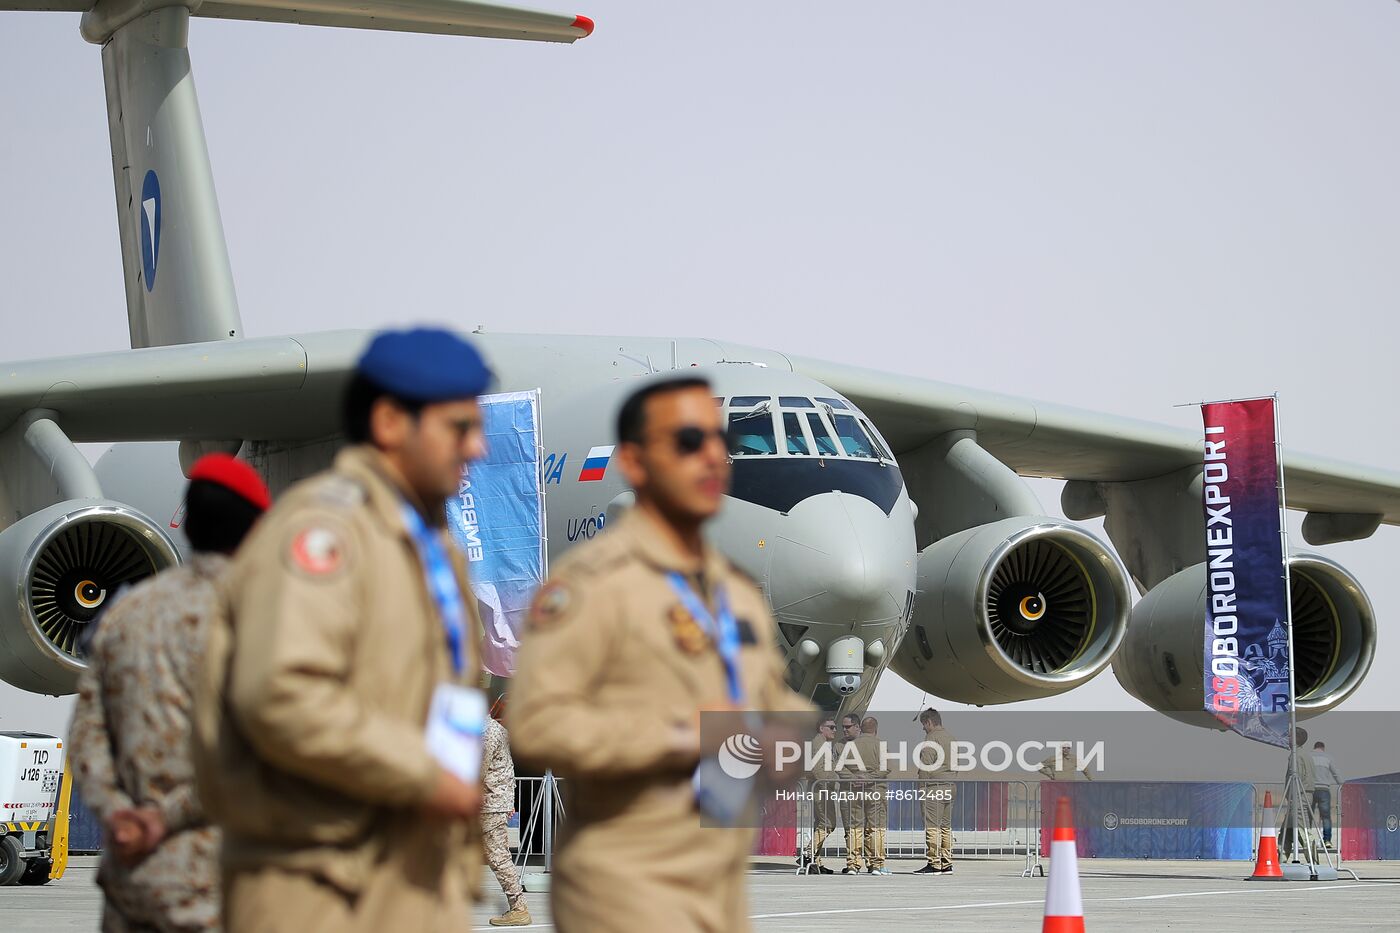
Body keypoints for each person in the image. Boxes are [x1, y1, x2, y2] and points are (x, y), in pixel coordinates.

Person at [192, 328, 492, 933]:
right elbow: (282, 694)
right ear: (388, 423)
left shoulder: (431, 550)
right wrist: (424, 775)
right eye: (459, 428)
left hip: (409, 878)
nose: (479, 448)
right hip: (321, 891)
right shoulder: (325, 533)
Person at [507, 375, 810, 932]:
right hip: (623, 888)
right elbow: (536, 722)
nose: (714, 457)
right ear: (636, 462)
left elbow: (767, 709)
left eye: (722, 441)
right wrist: (668, 739)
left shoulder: (735, 596)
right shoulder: (590, 586)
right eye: (689, 442)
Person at [70, 453, 270, 932]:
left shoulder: (122, 614)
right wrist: (165, 817)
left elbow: (86, 739)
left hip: (134, 879)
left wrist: (121, 817)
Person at [483, 703, 530, 926]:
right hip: (494, 801)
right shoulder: (496, 730)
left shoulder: (486, 733)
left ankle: (519, 908)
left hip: (488, 803)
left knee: (498, 857)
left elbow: (476, 771)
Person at [914, 708, 956, 875]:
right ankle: (946, 862)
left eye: (924, 724)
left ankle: (934, 863)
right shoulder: (951, 738)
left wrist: (921, 787)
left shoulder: (931, 740)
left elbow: (926, 767)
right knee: (945, 827)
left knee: (932, 826)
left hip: (934, 788)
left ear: (929, 722)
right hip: (950, 786)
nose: (923, 728)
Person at [802, 718, 839, 873]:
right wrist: (826, 785)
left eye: (835, 727)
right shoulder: (819, 744)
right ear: (821, 728)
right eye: (831, 727)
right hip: (822, 789)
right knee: (828, 824)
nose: (834, 730)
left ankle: (815, 861)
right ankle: (807, 854)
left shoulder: (823, 744)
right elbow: (817, 769)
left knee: (821, 825)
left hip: (822, 788)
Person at [1280, 727, 1318, 860]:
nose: (1287, 738)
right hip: (1301, 795)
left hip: (1298, 796)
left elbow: (1296, 777)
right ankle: (1281, 858)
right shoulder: (1305, 755)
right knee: (1287, 830)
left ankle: (1313, 861)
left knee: (1302, 831)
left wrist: (1291, 796)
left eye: (1289, 736)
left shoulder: (1297, 756)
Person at [859, 717, 890, 875]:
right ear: (875, 729)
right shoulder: (881, 746)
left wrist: (857, 778)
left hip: (856, 791)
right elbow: (887, 767)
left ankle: (860, 863)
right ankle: (877, 863)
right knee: (876, 828)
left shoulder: (852, 746)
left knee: (858, 829)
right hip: (877, 790)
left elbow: (841, 767)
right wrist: (870, 778)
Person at [837, 714, 865, 875]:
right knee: (850, 828)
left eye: (847, 727)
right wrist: (853, 778)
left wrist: (866, 778)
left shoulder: (867, 743)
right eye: (843, 727)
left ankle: (873, 863)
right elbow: (838, 766)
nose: (844, 730)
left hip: (867, 792)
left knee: (870, 829)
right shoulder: (839, 746)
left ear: (857, 727)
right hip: (848, 791)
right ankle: (853, 863)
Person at [1311, 741, 1343, 846]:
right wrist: (1342, 784)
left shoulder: (1309, 756)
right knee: (1326, 816)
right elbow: (1335, 773)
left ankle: (1307, 838)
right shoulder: (1327, 757)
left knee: (1308, 815)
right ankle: (1327, 840)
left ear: (1314, 747)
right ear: (1323, 748)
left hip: (1310, 790)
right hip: (1324, 790)